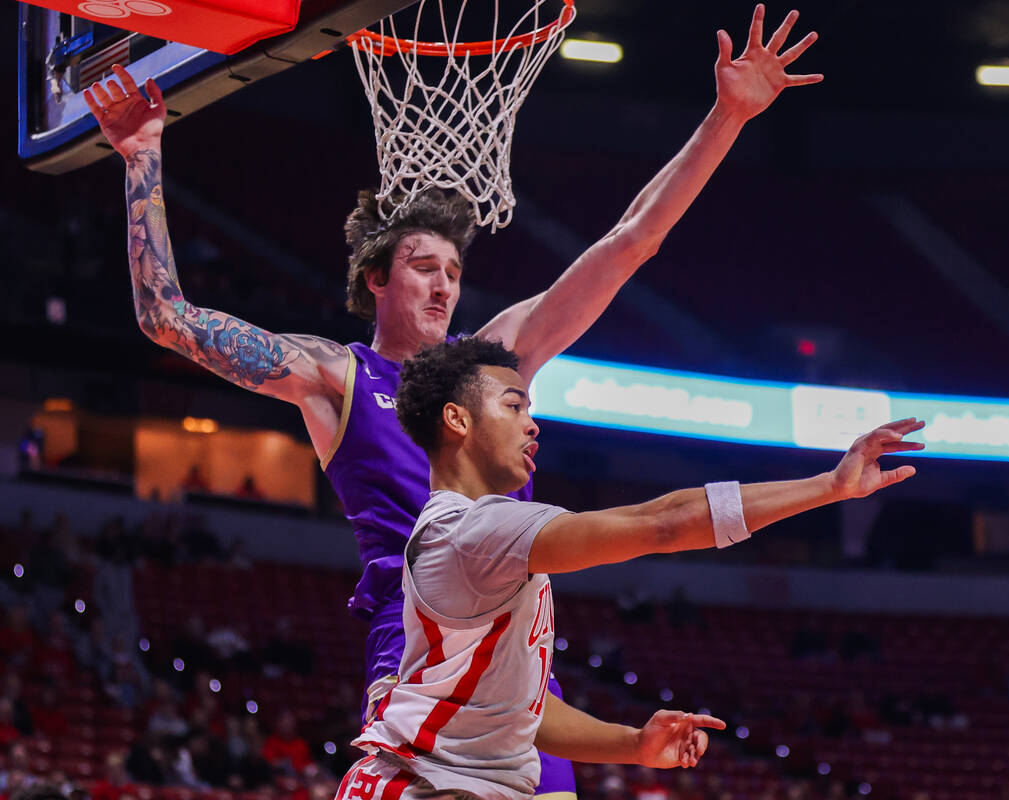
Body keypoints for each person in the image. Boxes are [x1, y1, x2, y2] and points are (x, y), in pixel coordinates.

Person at [83, 6, 824, 798]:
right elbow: (168, 319)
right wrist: (142, 155)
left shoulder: (494, 365)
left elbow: (630, 241)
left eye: (454, 271)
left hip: (515, 669)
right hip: (415, 663)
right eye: (423, 267)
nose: (444, 285)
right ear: (377, 279)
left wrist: (727, 116)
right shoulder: (338, 377)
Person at [339, 337, 921, 799]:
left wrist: (636, 744)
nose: (532, 424)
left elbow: (521, 712)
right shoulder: (475, 531)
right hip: (423, 786)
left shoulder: (470, 533)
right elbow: (663, 523)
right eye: (514, 406)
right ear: (457, 421)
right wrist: (827, 486)